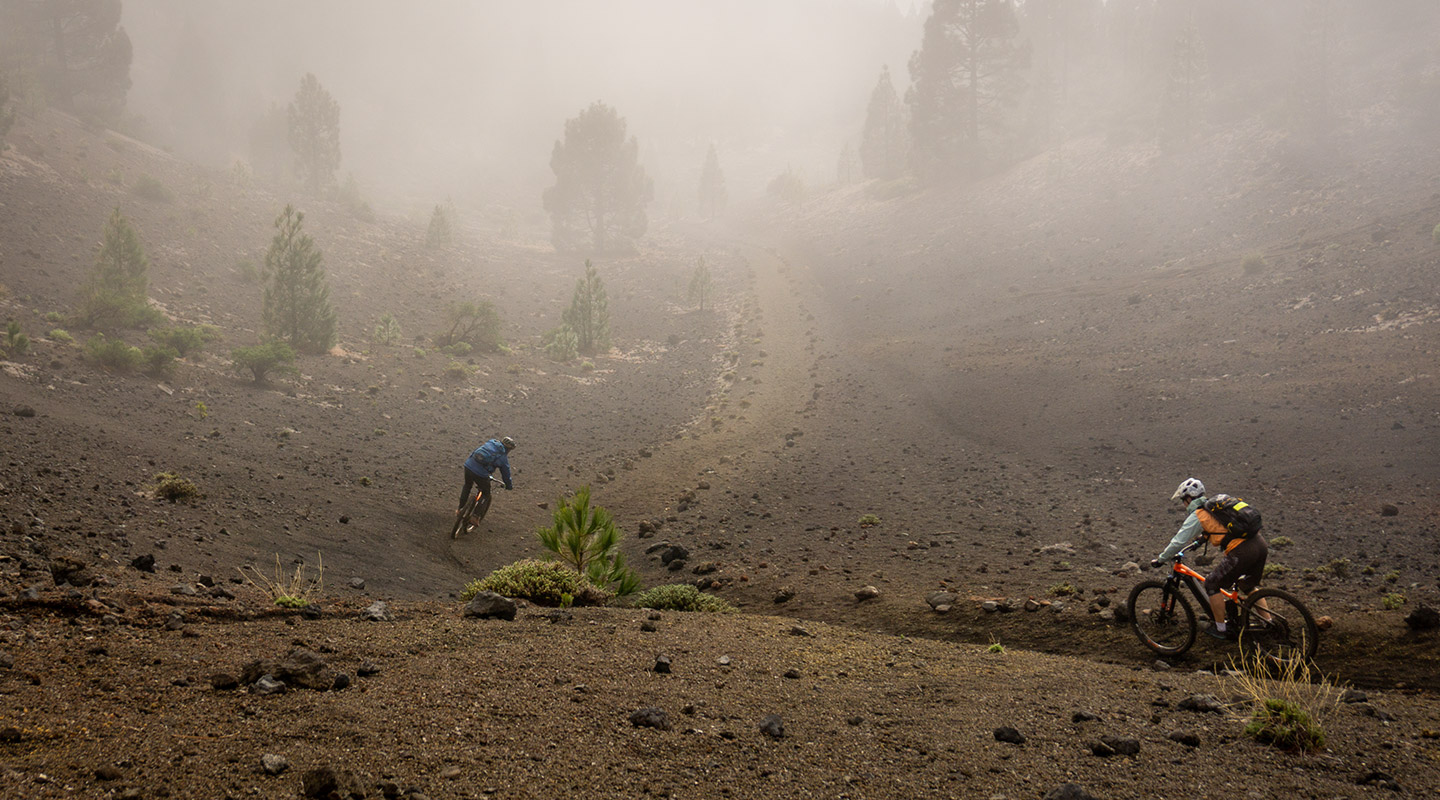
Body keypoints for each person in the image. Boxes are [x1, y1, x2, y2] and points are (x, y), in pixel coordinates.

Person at [1152, 477, 1269, 640]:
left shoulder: (1199, 514)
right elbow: (1220, 528)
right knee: (1248, 586)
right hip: (1259, 544)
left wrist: (1161, 559)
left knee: (1212, 584)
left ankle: (1221, 629)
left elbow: (1178, 541)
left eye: (1183, 500)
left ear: (1188, 499)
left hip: (1242, 550)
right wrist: (1200, 540)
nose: (1183, 504)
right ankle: (1269, 623)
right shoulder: (1215, 509)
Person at [457, 436, 515, 524]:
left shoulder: (491, 442)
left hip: (468, 466)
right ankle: (475, 517)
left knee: (467, 485)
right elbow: (506, 474)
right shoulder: (503, 458)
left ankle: (460, 509)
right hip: (481, 474)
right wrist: (509, 486)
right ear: (509, 449)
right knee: (486, 494)